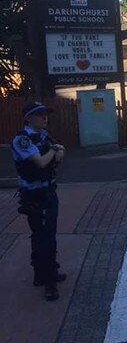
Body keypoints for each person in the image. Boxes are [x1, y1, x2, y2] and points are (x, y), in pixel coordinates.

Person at [11, 102, 66, 301]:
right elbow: (42, 162)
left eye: (45, 114)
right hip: (35, 197)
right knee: (43, 238)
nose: (44, 118)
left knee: (48, 235)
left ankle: (42, 274)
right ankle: (48, 282)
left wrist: (58, 149)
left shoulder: (43, 136)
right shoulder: (22, 139)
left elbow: (59, 153)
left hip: (49, 193)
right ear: (28, 118)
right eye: (39, 115)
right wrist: (55, 149)